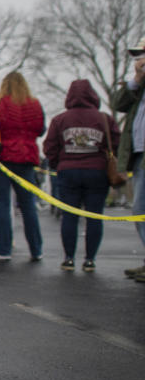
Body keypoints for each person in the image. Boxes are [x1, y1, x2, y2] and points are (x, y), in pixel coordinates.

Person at [43, 79, 119, 272]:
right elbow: (117, 143)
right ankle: (90, 260)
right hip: (97, 172)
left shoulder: (60, 120)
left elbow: (49, 147)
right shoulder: (104, 118)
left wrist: (57, 164)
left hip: (68, 172)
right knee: (94, 216)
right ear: (93, 95)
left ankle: (69, 258)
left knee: (69, 216)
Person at [0, 72, 45, 261]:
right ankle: (36, 250)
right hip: (26, 158)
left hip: (0, 157)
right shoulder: (35, 104)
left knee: (3, 204)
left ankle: (4, 250)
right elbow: (41, 129)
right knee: (28, 206)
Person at [113, 38, 145, 282]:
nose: (139, 61)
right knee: (139, 210)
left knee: (140, 209)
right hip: (139, 155)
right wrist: (135, 80)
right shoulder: (139, 85)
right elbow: (119, 104)